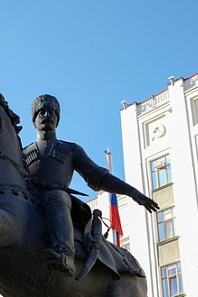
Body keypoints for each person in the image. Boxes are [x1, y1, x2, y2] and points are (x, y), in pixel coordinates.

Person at [23, 94, 159, 275]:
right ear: (34, 119)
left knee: (56, 196)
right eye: (41, 112)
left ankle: (64, 254)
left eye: (51, 112)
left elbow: (98, 177)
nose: (47, 115)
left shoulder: (70, 149)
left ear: (57, 119)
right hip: (29, 203)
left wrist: (131, 191)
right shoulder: (22, 153)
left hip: (59, 202)